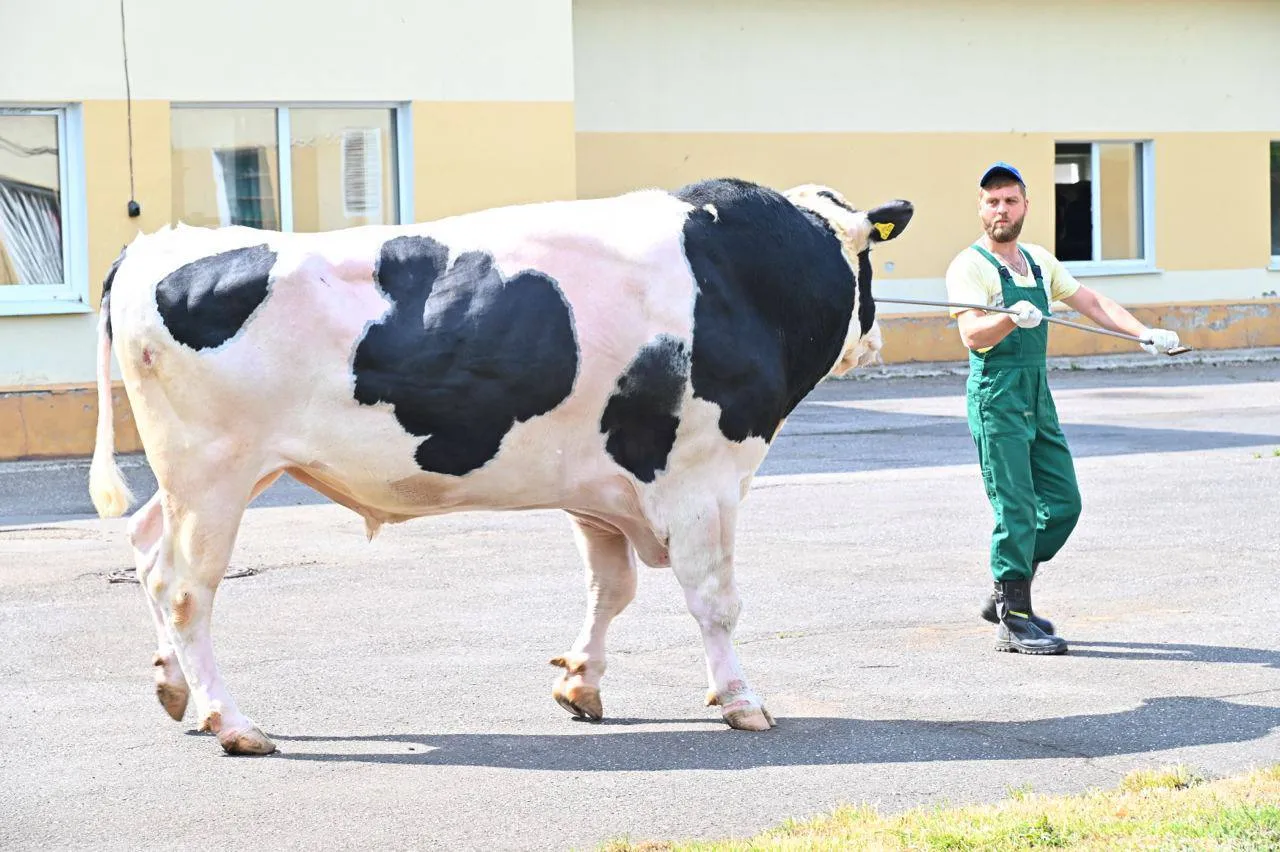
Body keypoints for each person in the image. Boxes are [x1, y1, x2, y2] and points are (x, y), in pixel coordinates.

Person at [944, 161, 1181, 655]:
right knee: (1016, 506)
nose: (1001, 210)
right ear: (980, 207)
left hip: (1036, 395)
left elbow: (1091, 301)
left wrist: (1143, 333)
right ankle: (1013, 619)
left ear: (1025, 206)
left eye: (1010, 200)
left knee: (1064, 502)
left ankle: (1005, 590)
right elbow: (972, 334)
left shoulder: (1038, 261)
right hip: (996, 396)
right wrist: (1010, 319)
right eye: (992, 201)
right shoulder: (969, 266)